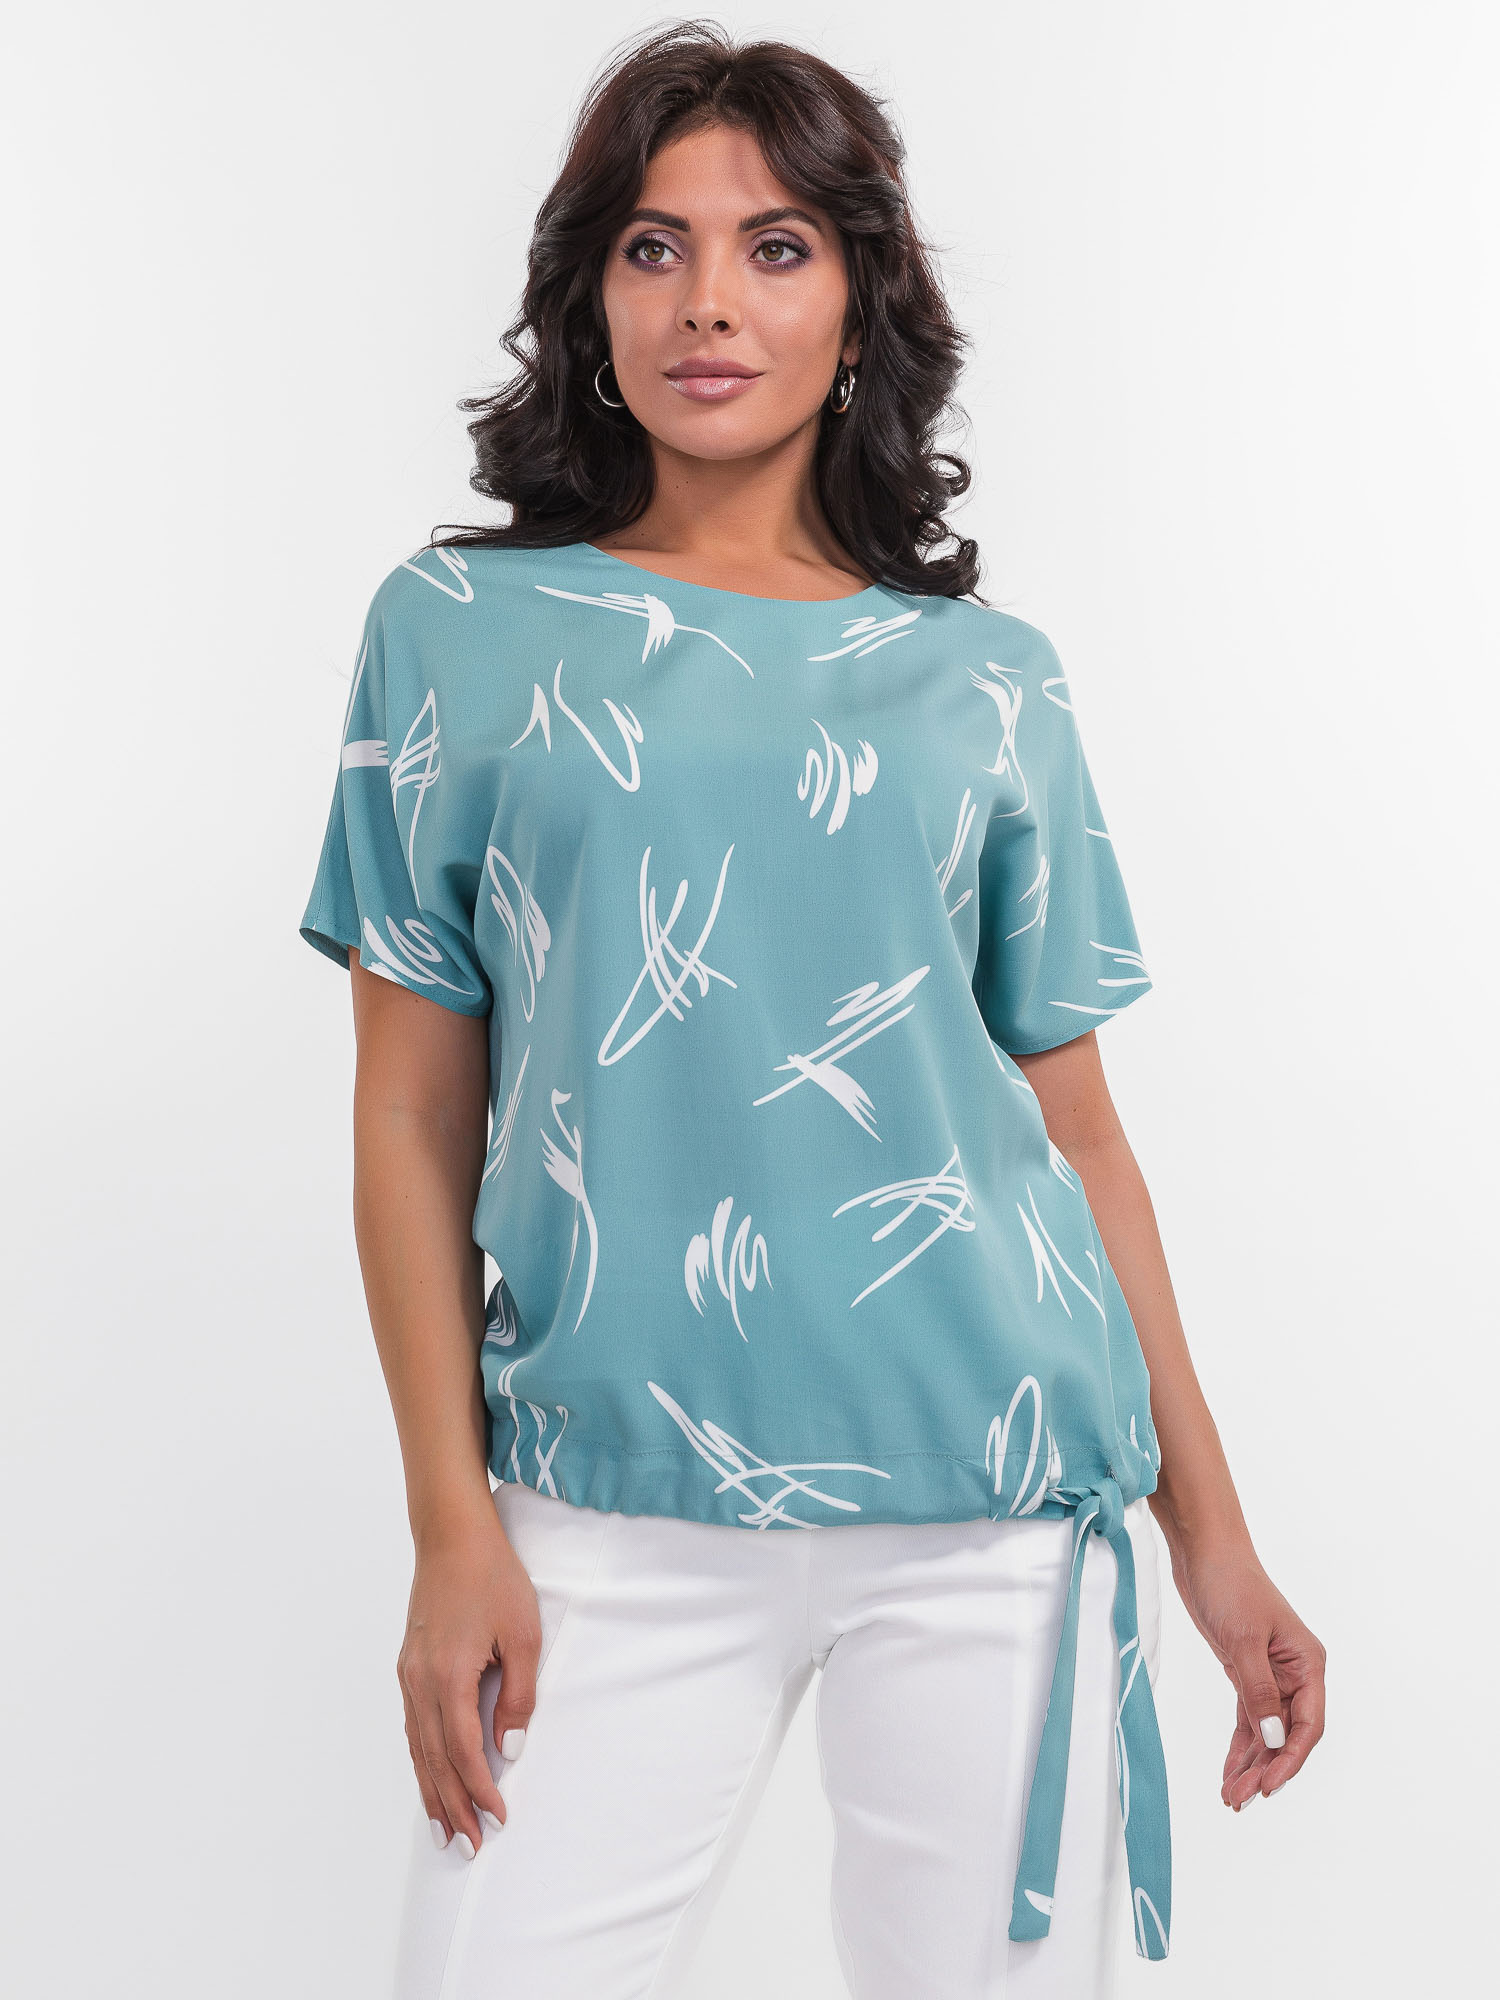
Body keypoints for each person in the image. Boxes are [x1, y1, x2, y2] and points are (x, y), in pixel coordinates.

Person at [297, 22, 1326, 1999]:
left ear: (860, 305)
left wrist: (1212, 1536)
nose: (709, 300)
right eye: (655, 246)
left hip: (998, 1498)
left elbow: (1078, 1136)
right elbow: (412, 1112)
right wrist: (450, 1526)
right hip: (603, 1500)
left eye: (775, 247)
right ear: (590, 299)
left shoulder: (989, 678)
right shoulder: (455, 634)